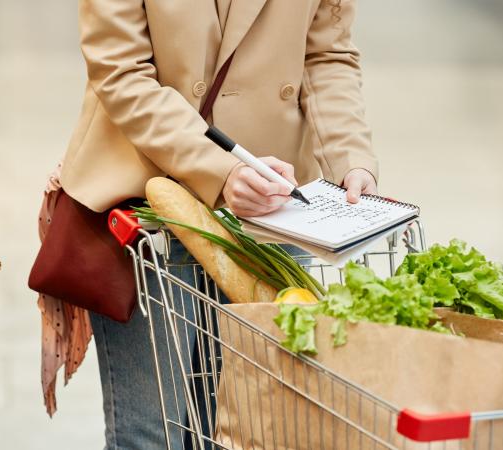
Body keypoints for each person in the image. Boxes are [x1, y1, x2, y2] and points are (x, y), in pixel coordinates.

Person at [39, 0, 378, 448]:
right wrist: (221, 171)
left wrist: (350, 159)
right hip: (147, 201)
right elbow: (121, 71)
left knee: (241, 429)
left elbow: (325, 54)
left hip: (271, 206)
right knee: (151, 434)